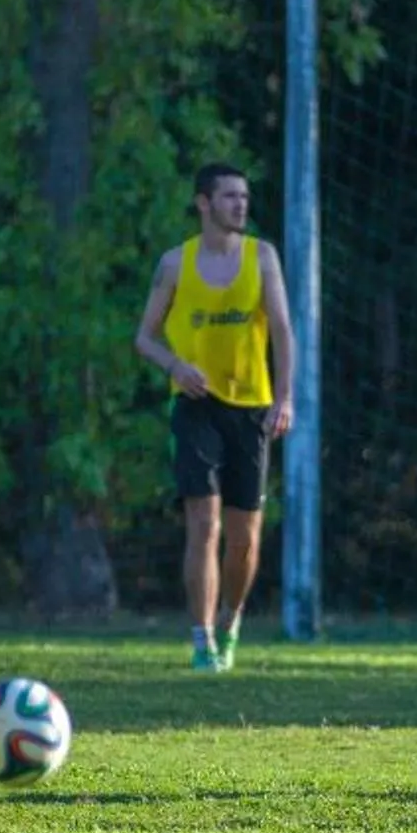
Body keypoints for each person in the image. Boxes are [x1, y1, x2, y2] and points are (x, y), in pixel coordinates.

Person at [132, 163, 296, 672]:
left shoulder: (262, 257)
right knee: (203, 523)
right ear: (204, 204)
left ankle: (230, 617)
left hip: (252, 408)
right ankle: (201, 640)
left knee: (245, 535)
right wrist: (175, 366)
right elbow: (144, 338)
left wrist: (284, 398)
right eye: (229, 197)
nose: (241, 205)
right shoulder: (174, 264)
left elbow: (284, 333)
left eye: (244, 197)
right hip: (197, 406)